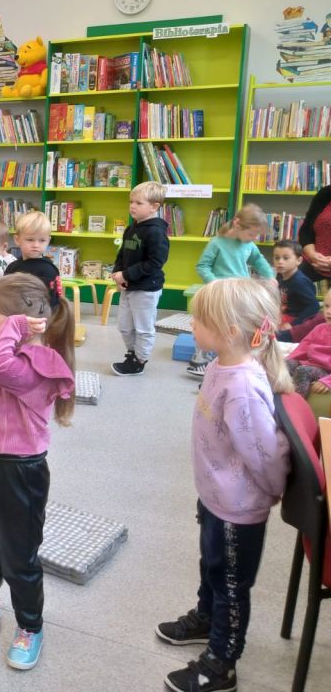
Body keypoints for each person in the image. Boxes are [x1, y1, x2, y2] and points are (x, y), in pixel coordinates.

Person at [155, 278, 290, 692]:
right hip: (217, 494)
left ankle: (222, 664)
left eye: (200, 319)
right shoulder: (220, 364)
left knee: (231, 584)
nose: (191, 323)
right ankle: (206, 618)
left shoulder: (243, 386)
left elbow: (264, 455)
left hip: (239, 504)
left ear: (230, 331)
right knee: (211, 567)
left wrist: (270, 493)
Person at [0, 273, 74, 671]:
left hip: (20, 469)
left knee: (20, 555)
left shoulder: (35, 363)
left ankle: (30, 626)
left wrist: (14, 324)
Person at [187, 203, 274, 376]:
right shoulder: (217, 243)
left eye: (257, 234)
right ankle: (199, 360)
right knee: (211, 324)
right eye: (251, 233)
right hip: (219, 294)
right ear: (237, 224)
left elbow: (259, 260)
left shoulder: (248, 244)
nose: (254, 238)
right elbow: (203, 266)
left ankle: (229, 360)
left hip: (239, 293)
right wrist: (215, 284)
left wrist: (269, 276)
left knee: (236, 328)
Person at [110, 181, 171, 376]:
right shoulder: (131, 228)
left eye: (138, 203)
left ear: (154, 207)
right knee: (125, 326)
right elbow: (122, 254)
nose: (132, 206)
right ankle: (132, 353)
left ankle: (139, 361)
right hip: (129, 286)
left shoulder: (156, 232)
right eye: (131, 202)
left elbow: (155, 262)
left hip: (146, 288)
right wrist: (118, 273)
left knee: (143, 328)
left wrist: (127, 274)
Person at [4, 211, 63, 305]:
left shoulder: (48, 270)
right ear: (17, 240)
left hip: (41, 316)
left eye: (42, 240)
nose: (36, 245)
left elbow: (53, 302)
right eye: (30, 240)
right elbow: (5, 295)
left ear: (48, 241)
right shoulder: (12, 267)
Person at [285, 291, 331, 396]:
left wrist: (328, 382)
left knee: (303, 371)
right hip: (313, 364)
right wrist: (289, 360)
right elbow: (302, 348)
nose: (328, 311)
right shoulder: (320, 328)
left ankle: (296, 404)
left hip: (327, 372)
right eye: (326, 306)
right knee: (285, 365)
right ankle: (276, 398)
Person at [273, 239, 319, 329]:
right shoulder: (281, 277)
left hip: (297, 321)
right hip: (286, 317)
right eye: (277, 258)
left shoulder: (300, 282)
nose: (280, 262)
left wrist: (293, 324)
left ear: (299, 260)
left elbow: (314, 306)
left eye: (286, 258)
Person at [297, 184, 331, 280]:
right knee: (286, 275)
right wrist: (312, 255)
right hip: (315, 259)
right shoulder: (325, 193)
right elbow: (306, 230)